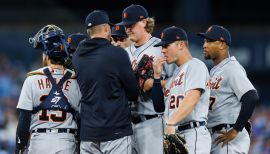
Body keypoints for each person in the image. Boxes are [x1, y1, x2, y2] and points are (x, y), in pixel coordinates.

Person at [72, 10, 139, 154]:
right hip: (116, 131)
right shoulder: (117, 54)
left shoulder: (77, 56)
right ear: (106, 28)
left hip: (88, 133)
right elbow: (133, 92)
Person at [15, 24, 81, 154]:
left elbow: (24, 120)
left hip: (39, 143)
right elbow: (81, 119)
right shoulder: (76, 80)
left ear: (46, 55)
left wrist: (19, 149)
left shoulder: (32, 79)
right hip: (67, 142)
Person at [119, 4, 176, 154]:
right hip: (126, 124)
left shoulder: (161, 48)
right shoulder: (123, 53)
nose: (128, 29)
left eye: (131, 25)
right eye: (126, 26)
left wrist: (155, 83)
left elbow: (179, 81)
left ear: (144, 22)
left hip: (153, 122)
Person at [197, 25, 259, 154]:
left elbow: (251, 96)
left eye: (209, 41)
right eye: (204, 41)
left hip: (226, 136)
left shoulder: (232, 68)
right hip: (216, 136)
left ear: (222, 44)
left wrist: (236, 129)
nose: (204, 45)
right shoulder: (215, 70)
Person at [152, 26, 212, 154]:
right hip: (176, 134)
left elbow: (192, 98)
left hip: (193, 133)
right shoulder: (174, 75)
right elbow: (159, 107)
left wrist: (171, 123)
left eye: (166, 46)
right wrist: (157, 78)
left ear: (180, 45)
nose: (162, 50)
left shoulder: (195, 65)